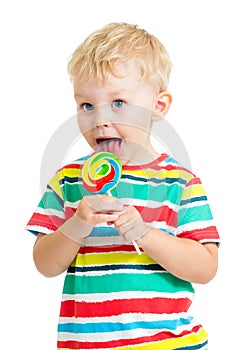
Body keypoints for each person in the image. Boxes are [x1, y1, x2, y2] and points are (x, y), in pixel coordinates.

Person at [26, 22, 220, 349]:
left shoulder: (180, 184)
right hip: (85, 343)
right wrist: (78, 224)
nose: (99, 118)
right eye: (87, 105)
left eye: (118, 103)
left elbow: (205, 268)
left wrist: (146, 233)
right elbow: (44, 264)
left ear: (157, 107)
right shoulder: (68, 182)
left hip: (168, 343)